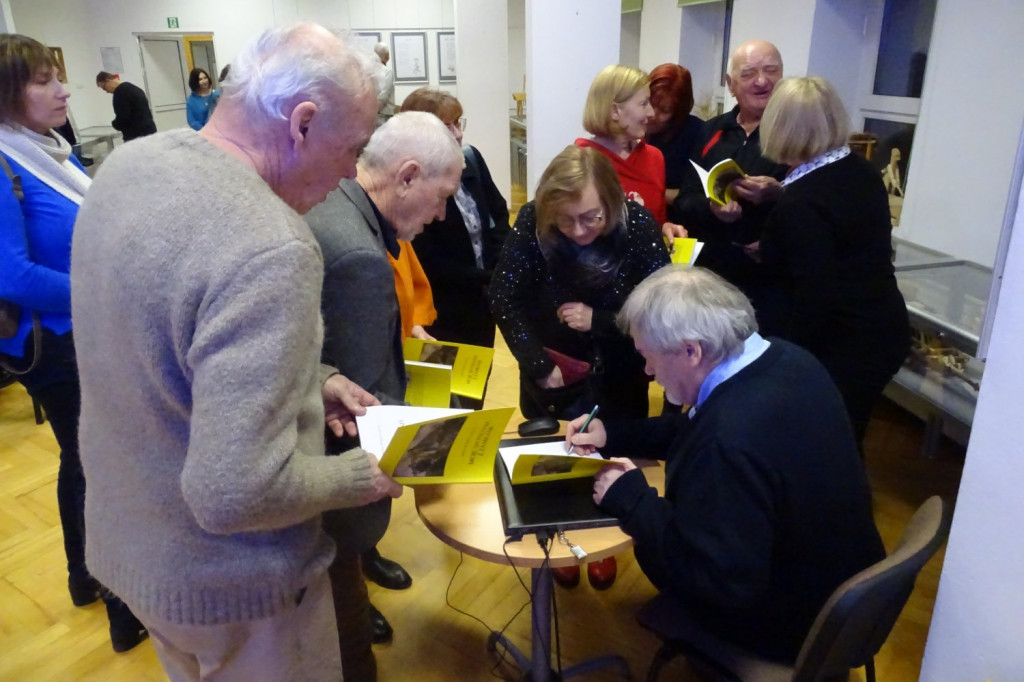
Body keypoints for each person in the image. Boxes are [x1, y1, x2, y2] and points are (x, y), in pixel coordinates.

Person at [72, 23, 402, 682]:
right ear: (302, 123)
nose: (349, 173)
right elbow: (232, 494)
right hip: (237, 592)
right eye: (353, 148)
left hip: (136, 552)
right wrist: (358, 478)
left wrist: (315, 379)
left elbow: (171, 343)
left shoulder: (130, 165)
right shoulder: (272, 244)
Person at [567, 265, 885, 664]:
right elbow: (695, 424)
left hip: (794, 626)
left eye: (648, 357)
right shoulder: (790, 360)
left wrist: (631, 498)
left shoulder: (729, 439)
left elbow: (716, 582)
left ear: (690, 351)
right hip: (850, 591)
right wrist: (612, 435)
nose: (647, 371)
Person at [0, 31, 147, 655]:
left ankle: (85, 577)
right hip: (55, 343)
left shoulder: (47, 150)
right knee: (98, 465)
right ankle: (118, 603)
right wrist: (106, 285)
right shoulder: (6, 161)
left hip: (82, 333)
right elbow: (13, 275)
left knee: (82, 459)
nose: (63, 89)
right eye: (43, 81)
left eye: (59, 77)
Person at [304, 111, 463, 675]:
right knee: (347, 635)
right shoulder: (360, 259)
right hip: (333, 492)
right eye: (441, 196)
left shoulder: (338, 198)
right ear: (408, 176)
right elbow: (356, 406)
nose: (442, 214)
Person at [757, 76, 910, 445]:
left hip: (845, 341)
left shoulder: (802, 202)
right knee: (845, 436)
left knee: (829, 445)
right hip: (882, 326)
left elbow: (814, 295)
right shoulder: (861, 170)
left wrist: (783, 363)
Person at [668, 40, 788, 298]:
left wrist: (779, 194)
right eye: (748, 74)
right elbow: (684, 200)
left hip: (770, 277)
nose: (761, 81)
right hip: (710, 273)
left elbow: (814, 209)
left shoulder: (796, 133)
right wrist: (712, 209)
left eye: (771, 70)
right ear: (730, 84)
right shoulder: (710, 130)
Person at [400, 87, 511, 354]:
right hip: (443, 306)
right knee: (448, 389)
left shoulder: (470, 158)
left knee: (477, 375)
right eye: (448, 127)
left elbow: (498, 212)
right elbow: (428, 257)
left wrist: (500, 262)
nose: (459, 134)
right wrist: (487, 277)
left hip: (481, 300)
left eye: (458, 123)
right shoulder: (412, 180)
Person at [575, 64, 684, 238]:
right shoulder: (581, 161)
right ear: (614, 111)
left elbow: (657, 219)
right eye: (643, 104)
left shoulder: (654, 157)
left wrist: (665, 228)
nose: (651, 113)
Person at [645, 63, 704, 203]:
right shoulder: (631, 125)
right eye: (649, 103)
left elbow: (696, 195)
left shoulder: (696, 133)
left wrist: (645, 192)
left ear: (678, 113)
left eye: (664, 110)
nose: (652, 114)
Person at [95, 71, 156, 141]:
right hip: (150, 132)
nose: (106, 91)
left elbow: (123, 118)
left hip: (136, 137)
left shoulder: (120, 93)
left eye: (104, 88)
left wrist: (114, 124)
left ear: (108, 81)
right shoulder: (135, 88)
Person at [373, 42, 395, 126]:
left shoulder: (370, 70)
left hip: (373, 113)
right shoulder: (387, 71)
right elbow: (384, 94)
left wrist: (373, 110)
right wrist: (377, 109)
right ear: (387, 56)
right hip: (385, 113)